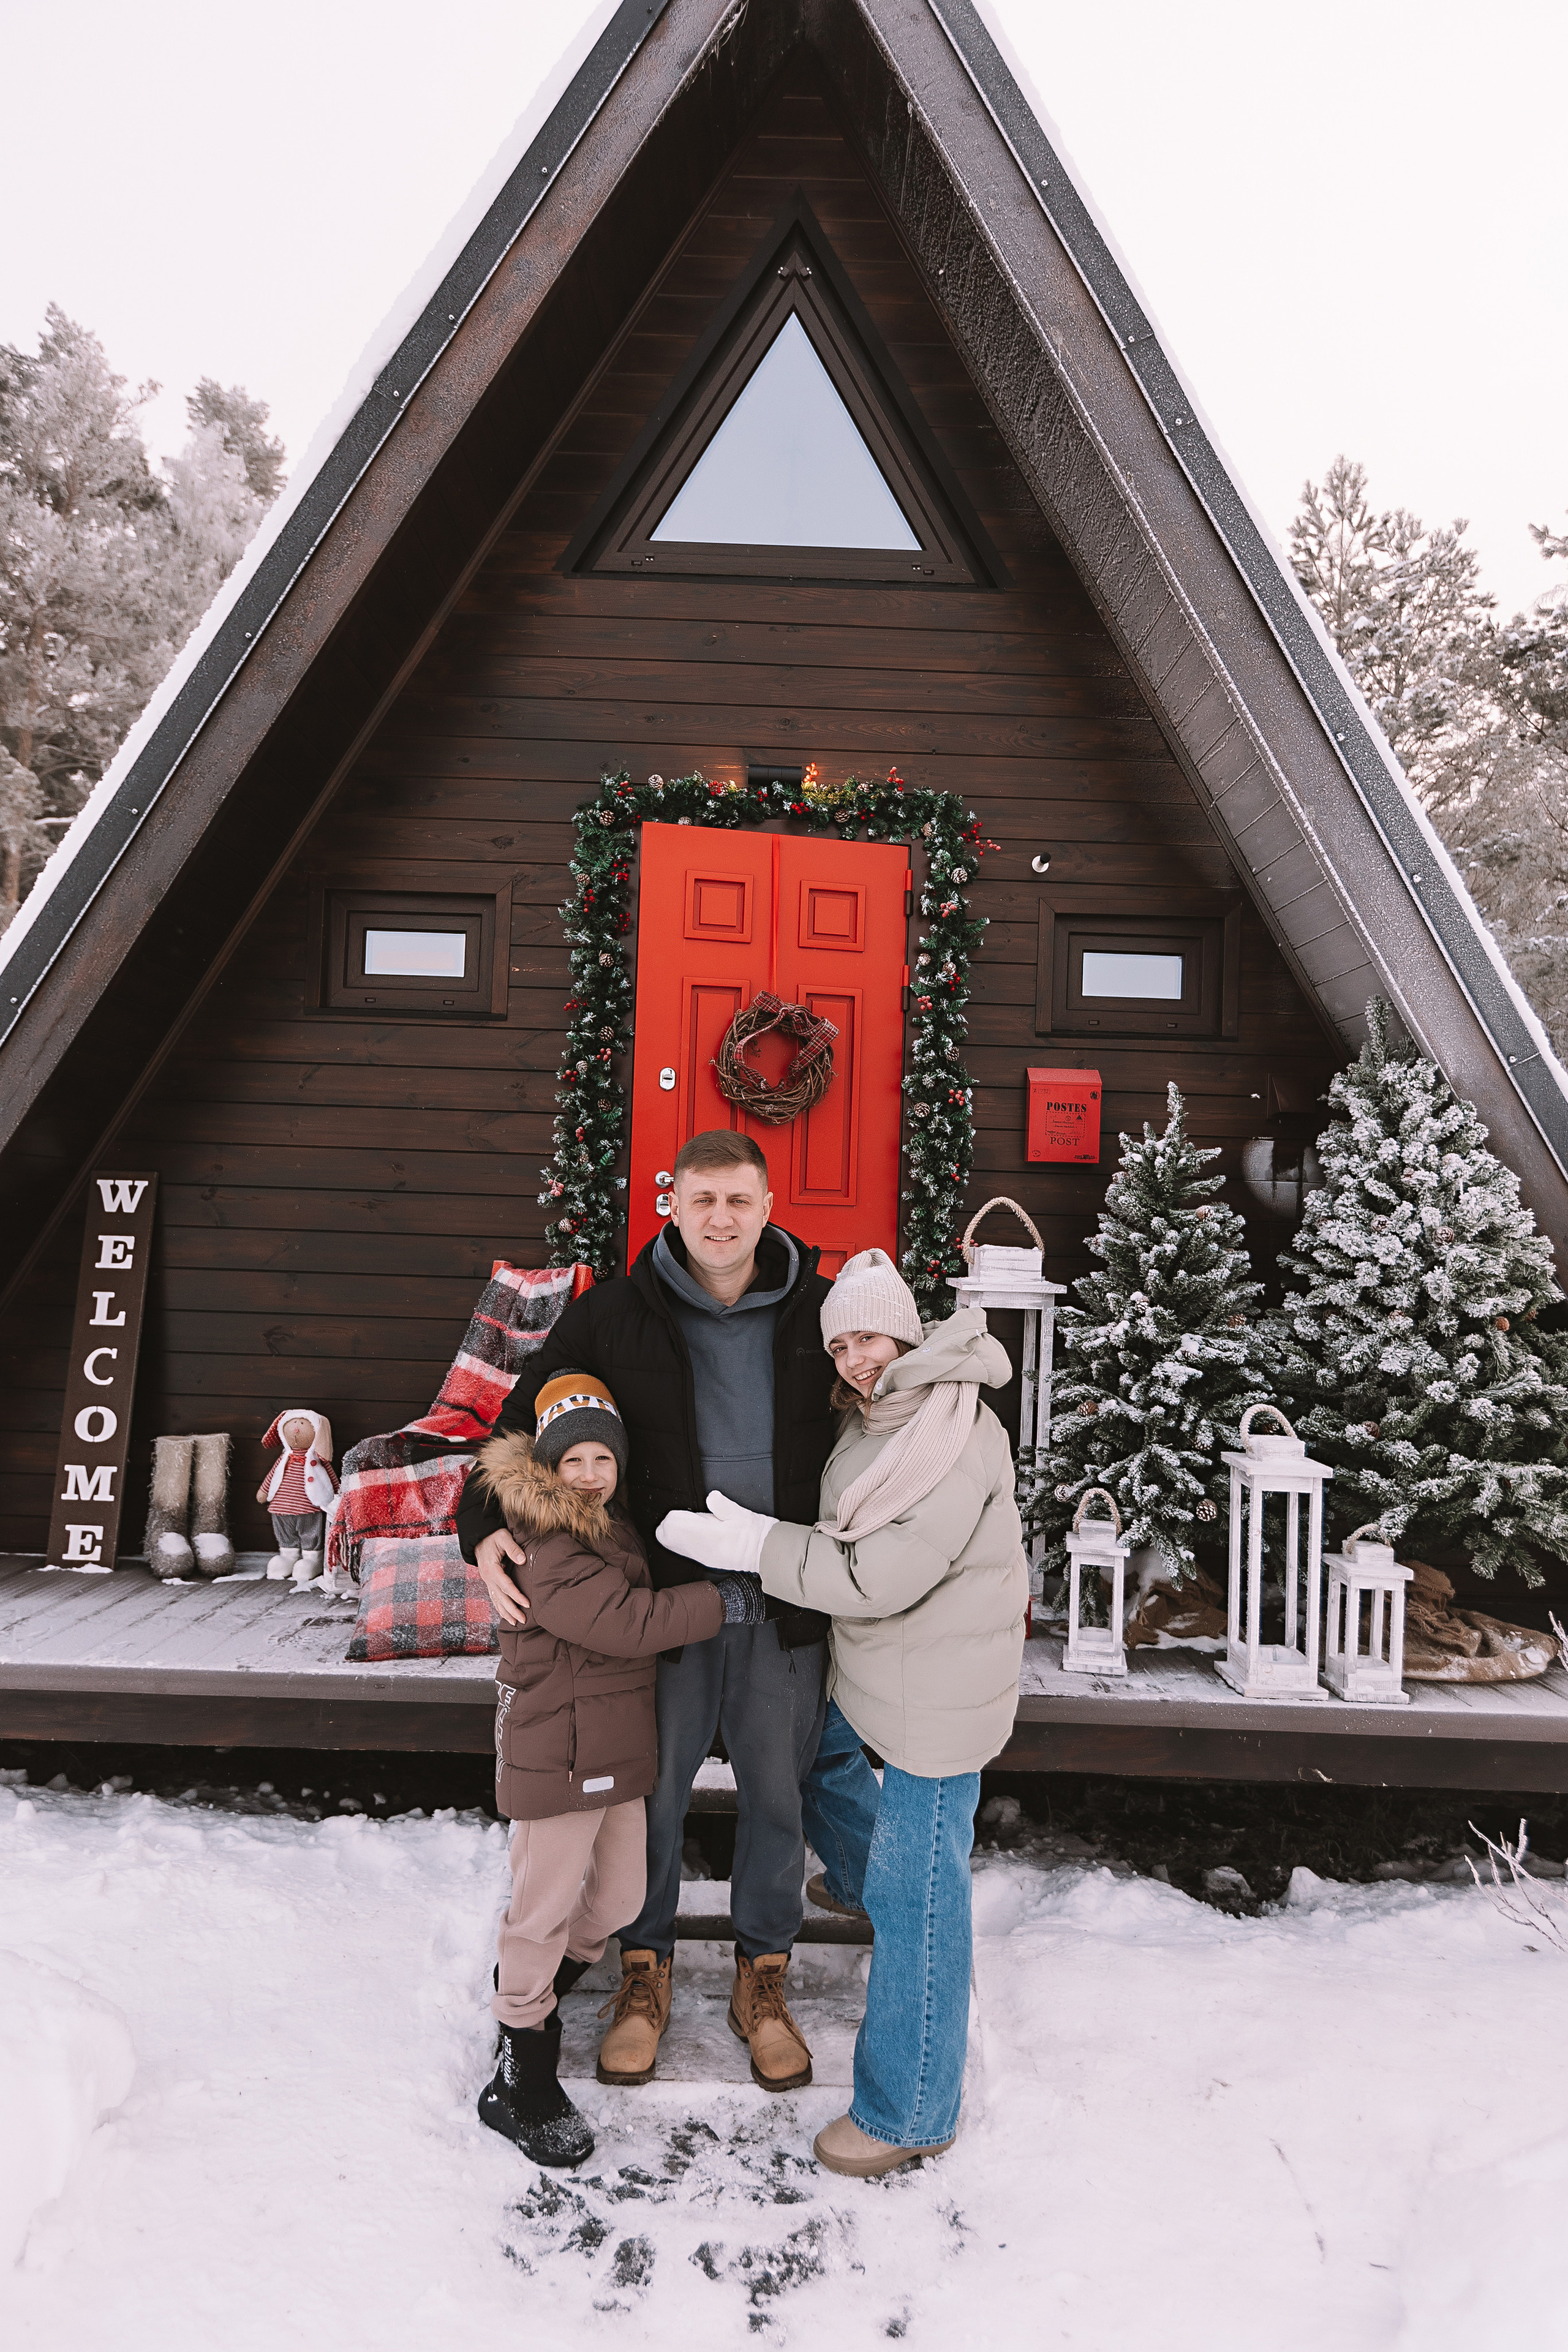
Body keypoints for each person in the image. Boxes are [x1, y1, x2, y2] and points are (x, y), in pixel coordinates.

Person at [456, 1129, 883, 2092]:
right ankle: (642, 1972)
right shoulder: (615, 1314)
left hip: (786, 1605)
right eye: (703, 1200)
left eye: (738, 1200)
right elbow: (518, 1428)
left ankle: (762, 1977)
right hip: (659, 1609)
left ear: (767, 1207)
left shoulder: (823, 1312)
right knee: (652, 1798)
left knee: (778, 1798)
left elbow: (895, 1398)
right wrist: (481, 1526)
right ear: (673, 1206)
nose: (720, 1219)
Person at [658, 1247, 1027, 2179]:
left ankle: (910, 2109)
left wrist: (756, 1545)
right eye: (839, 1345)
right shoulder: (880, 1413)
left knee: (921, 1902)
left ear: (904, 1331)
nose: (855, 1358)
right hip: (884, 1667)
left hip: (939, 1690)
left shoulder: (952, 1431)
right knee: (814, 1746)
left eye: (869, 1337)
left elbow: (876, 1576)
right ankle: (865, 1875)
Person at [472, 1369, 766, 2167]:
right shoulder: (545, 1541)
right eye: (574, 1461)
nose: (590, 1473)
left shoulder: (609, 1524)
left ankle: (533, 1993)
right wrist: (725, 1600)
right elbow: (626, 1622)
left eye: (603, 1459)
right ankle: (520, 2069)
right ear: (548, 1468)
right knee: (539, 1911)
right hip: (558, 1753)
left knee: (619, 1898)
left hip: (613, 1752)